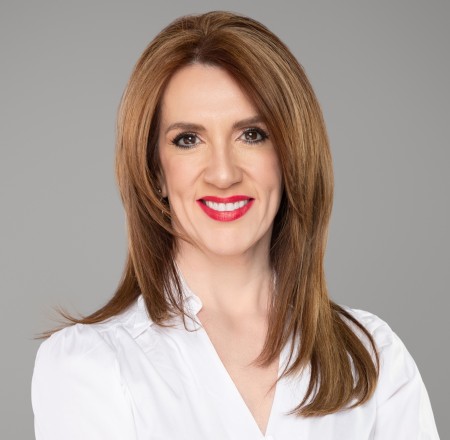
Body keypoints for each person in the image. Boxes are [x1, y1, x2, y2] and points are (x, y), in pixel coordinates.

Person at [31, 11, 439, 440]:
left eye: (252, 135)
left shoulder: (372, 358)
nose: (223, 174)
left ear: (290, 156)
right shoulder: (89, 364)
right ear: (155, 172)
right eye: (188, 139)